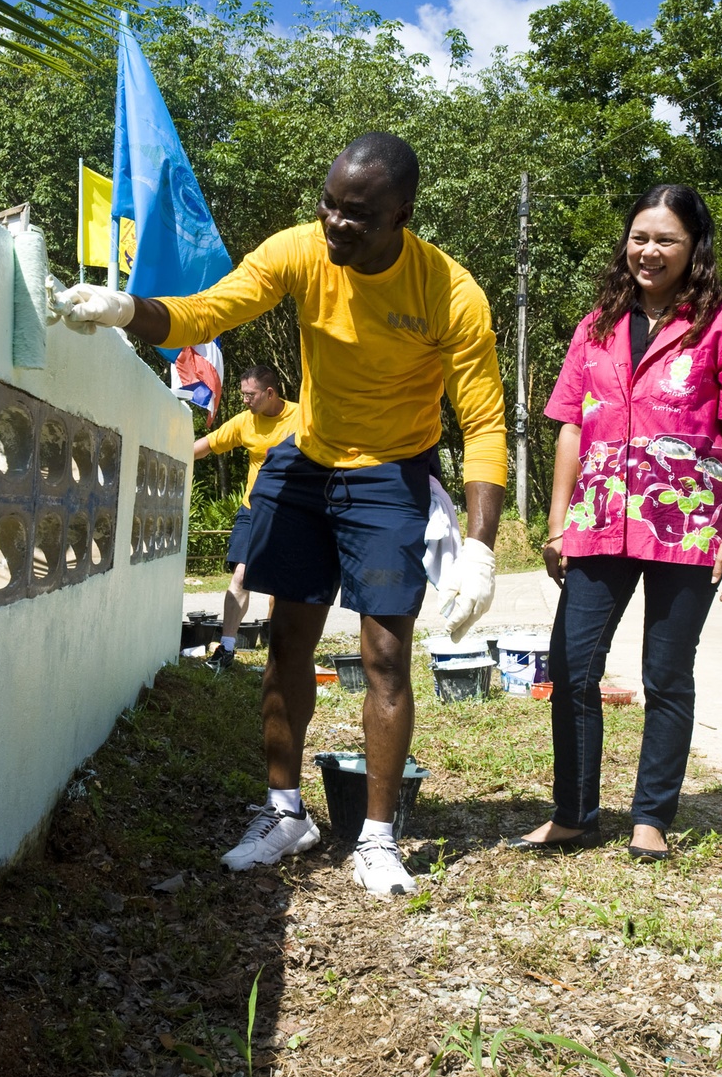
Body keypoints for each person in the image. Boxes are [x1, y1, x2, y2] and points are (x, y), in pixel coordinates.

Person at [58, 132, 507, 895]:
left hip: (392, 473)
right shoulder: (301, 250)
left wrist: (481, 547)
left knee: (384, 659)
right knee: (288, 641)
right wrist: (127, 309)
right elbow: (212, 310)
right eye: (328, 204)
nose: (335, 224)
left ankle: (376, 836)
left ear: (403, 213)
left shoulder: (449, 292)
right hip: (308, 459)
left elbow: (486, 421)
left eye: (356, 215)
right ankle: (283, 810)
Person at [512, 184, 722, 861]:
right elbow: (571, 427)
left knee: (666, 673)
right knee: (572, 667)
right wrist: (555, 522)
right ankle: (573, 814)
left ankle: (650, 818)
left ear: (694, 250)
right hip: (599, 519)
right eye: (640, 237)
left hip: (686, 524)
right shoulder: (596, 324)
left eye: (666, 240)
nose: (649, 251)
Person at [193, 364, 298, 671]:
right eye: (242, 394)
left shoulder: (302, 417)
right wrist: (172, 455)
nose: (244, 400)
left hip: (291, 512)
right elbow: (208, 444)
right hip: (253, 509)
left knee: (283, 584)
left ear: (270, 393)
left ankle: (279, 651)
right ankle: (226, 650)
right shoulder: (245, 422)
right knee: (241, 576)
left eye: (249, 395)